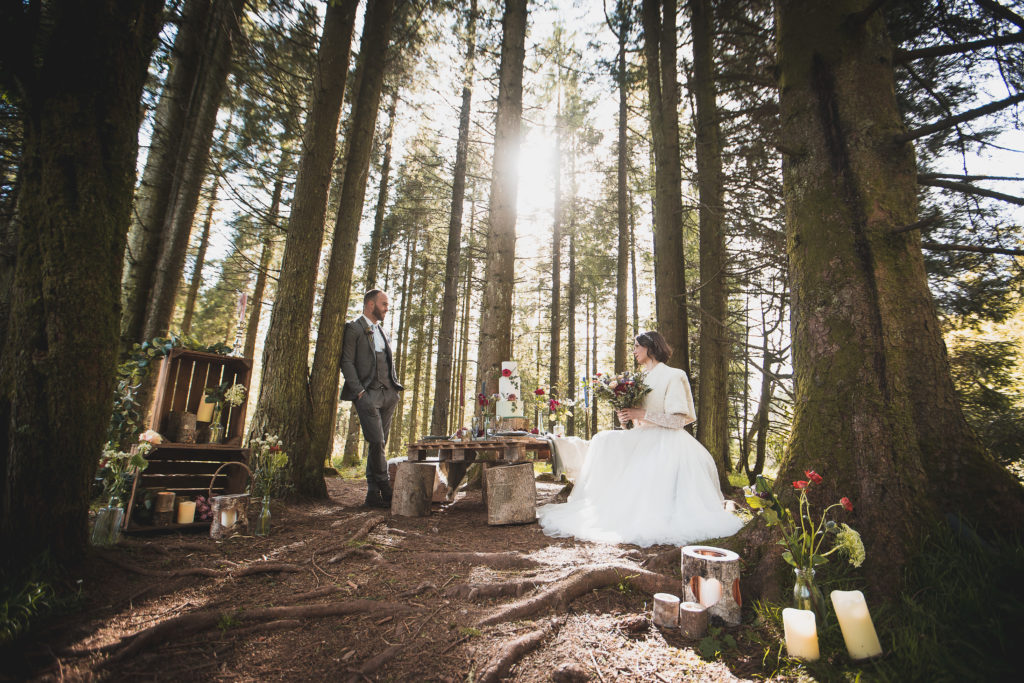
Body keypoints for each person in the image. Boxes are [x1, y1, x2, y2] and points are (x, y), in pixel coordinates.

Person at [537, 331, 743, 547]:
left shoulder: (674, 375)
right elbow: (636, 420)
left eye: (637, 346)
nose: (634, 351)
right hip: (642, 436)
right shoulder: (639, 379)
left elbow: (678, 421)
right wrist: (626, 416)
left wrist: (641, 414)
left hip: (668, 440)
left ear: (651, 347)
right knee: (602, 439)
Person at [341, 290, 404, 508]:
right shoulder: (354, 328)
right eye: (384, 304)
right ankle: (385, 487)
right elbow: (347, 363)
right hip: (367, 394)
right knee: (376, 441)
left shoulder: (382, 331)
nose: (387, 308)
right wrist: (359, 393)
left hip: (388, 394)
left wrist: (394, 392)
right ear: (370, 304)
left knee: (379, 444)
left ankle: (371, 494)